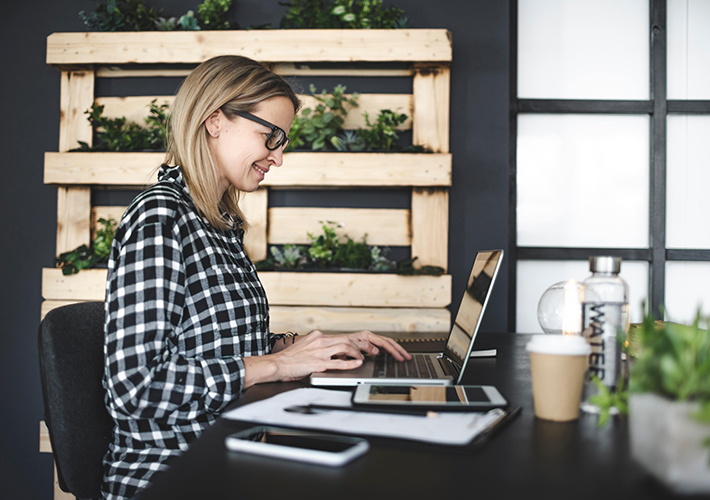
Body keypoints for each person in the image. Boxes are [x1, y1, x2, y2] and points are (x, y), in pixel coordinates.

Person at [101, 54, 411, 500]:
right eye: (271, 137)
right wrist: (278, 364)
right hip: (171, 473)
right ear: (214, 121)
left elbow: (214, 346)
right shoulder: (161, 218)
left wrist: (304, 347)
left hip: (233, 449)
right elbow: (135, 388)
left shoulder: (218, 221)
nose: (278, 157)